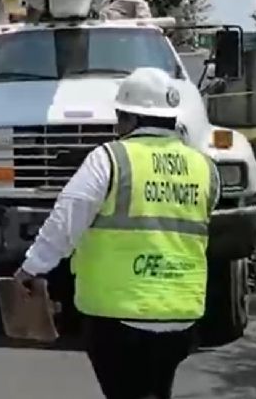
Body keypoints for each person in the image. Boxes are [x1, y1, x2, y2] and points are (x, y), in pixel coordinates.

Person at [13, 66, 220, 399]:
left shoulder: (109, 159)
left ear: (128, 119)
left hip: (118, 315)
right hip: (182, 317)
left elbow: (65, 222)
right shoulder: (205, 168)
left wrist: (30, 269)